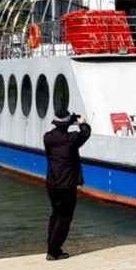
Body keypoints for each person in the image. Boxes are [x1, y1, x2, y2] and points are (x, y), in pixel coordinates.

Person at [43, 106, 91, 260]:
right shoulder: (72, 139)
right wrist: (82, 122)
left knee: (55, 215)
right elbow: (86, 133)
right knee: (64, 218)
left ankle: (51, 247)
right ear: (67, 123)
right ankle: (54, 251)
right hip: (67, 184)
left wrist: (70, 122)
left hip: (52, 182)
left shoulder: (48, 137)